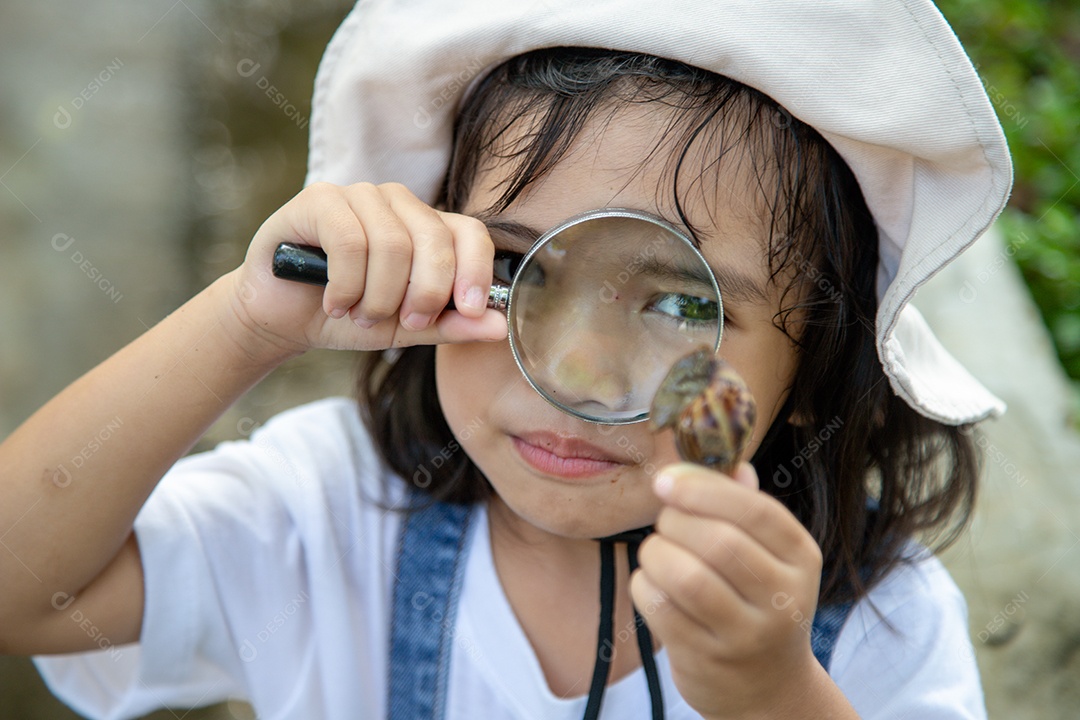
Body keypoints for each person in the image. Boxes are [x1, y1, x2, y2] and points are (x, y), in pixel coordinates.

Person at [0, 1, 1011, 718]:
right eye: (520, 264)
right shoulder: (331, 509)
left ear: (816, 376)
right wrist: (245, 323)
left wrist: (776, 698)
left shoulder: (881, 626)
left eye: (678, 300)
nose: (576, 371)